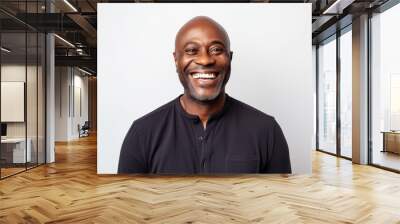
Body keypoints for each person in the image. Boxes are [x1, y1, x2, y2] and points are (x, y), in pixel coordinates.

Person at [118, 16, 291, 174]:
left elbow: (278, 204)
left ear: (229, 58)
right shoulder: (142, 133)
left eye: (216, 50)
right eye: (192, 50)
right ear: (176, 60)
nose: (205, 60)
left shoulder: (267, 131)